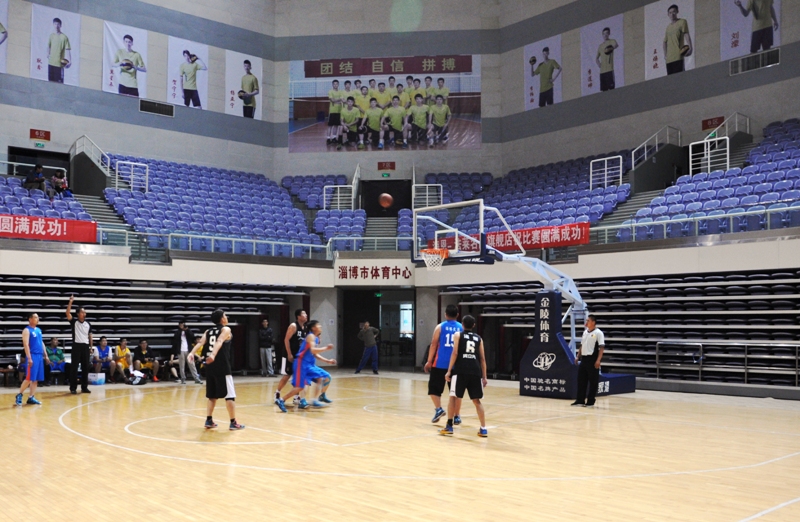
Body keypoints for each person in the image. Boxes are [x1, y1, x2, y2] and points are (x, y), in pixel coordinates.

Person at [188, 309, 244, 430]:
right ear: (222, 319)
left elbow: (200, 343)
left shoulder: (208, 331)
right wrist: (213, 355)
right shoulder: (226, 329)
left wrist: (191, 353)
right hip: (222, 366)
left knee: (212, 395)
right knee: (230, 395)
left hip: (210, 366)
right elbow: (219, 341)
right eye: (225, 315)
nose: (227, 317)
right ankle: (233, 422)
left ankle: (209, 420)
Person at [441, 315, 488, 437]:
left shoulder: (458, 335)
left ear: (462, 324)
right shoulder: (479, 338)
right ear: (473, 325)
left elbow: (455, 353)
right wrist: (484, 376)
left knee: (453, 397)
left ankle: (449, 426)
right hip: (475, 371)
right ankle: (483, 428)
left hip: (461, 370)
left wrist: (449, 370)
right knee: (477, 401)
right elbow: (482, 359)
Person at [274, 320, 336, 412]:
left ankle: (315, 399)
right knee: (300, 386)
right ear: (313, 328)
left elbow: (314, 354)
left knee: (323, 377)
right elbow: (313, 350)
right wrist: (326, 348)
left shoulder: (315, 338)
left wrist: (327, 361)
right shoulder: (310, 336)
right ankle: (282, 400)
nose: (320, 327)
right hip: (301, 364)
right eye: (318, 325)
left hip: (309, 365)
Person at [424, 304, 463, 423]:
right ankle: (457, 416)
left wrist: (429, 361)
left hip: (440, 363)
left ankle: (438, 409)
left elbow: (433, 344)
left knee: (434, 389)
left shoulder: (440, 327)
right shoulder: (461, 328)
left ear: (445, 314)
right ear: (457, 315)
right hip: (456, 365)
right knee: (456, 392)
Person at [572, 315, 605, 408]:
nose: (586, 322)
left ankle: (590, 401)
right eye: (586, 320)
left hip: (592, 359)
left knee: (593, 382)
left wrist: (598, 360)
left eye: (588, 321)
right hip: (584, 359)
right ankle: (580, 400)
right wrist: (578, 356)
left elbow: (602, 348)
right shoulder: (585, 332)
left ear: (593, 322)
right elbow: (582, 345)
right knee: (581, 380)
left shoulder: (599, 333)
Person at [16, 313, 49, 406]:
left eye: (38, 317)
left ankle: (31, 397)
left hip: (39, 356)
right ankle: (19, 394)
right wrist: (29, 358)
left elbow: (41, 342)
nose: (37, 319)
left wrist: (46, 355)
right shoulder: (27, 330)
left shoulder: (38, 330)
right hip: (32, 355)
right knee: (29, 378)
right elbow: (26, 345)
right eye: (35, 317)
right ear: (30, 319)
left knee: (35, 379)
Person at [275, 309, 308, 403]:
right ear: (298, 316)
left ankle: (296, 396)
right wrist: (289, 354)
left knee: (298, 376)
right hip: (289, 355)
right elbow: (286, 340)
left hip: (298, 357)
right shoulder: (293, 326)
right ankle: (277, 392)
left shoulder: (305, 328)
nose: (306, 315)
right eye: (304, 314)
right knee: (287, 375)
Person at [66, 295, 92, 394]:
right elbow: (67, 313)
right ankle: (73, 388)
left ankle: (84, 387)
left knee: (86, 367)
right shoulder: (74, 322)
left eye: (85, 312)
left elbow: (90, 336)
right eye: (82, 312)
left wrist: (90, 347)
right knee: (74, 367)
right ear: (78, 314)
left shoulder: (88, 324)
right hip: (76, 346)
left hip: (85, 346)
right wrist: (70, 302)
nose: (84, 313)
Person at [663, 4, 692, 75]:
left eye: (674, 12)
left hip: (678, 56)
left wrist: (690, 48)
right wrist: (665, 55)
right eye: (670, 12)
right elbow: (664, 42)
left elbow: (686, 34)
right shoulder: (668, 27)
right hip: (669, 60)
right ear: (668, 15)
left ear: (677, 12)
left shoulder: (682, 22)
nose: (672, 14)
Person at [47, 17, 71, 83]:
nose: (56, 26)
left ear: (60, 25)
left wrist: (69, 61)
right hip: (51, 63)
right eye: (55, 24)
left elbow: (68, 49)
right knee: (50, 82)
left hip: (59, 64)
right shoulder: (51, 36)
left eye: (58, 24)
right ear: (53, 25)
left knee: (59, 83)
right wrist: (47, 53)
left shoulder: (64, 37)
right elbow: (49, 46)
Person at [596, 27, 619, 91]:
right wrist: (599, 64)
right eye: (604, 34)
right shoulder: (600, 46)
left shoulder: (612, 41)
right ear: (602, 35)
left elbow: (616, 45)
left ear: (609, 34)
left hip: (609, 70)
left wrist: (610, 49)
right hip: (602, 72)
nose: (605, 35)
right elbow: (596, 58)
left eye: (606, 33)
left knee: (611, 89)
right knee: (604, 90)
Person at [326, 79, 343, 144]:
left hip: (339, 111)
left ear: (338, 85)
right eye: (334, 84)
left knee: (336, 125)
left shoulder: (340, 92)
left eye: (336, 84)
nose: (335, 85)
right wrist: (339, 100)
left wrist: (336, 100)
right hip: (332, 111)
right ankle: (328, 138)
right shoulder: (330, 91)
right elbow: (332, 100)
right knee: (330, 125)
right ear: (332, 85)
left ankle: (334, 138)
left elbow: (340, 100)